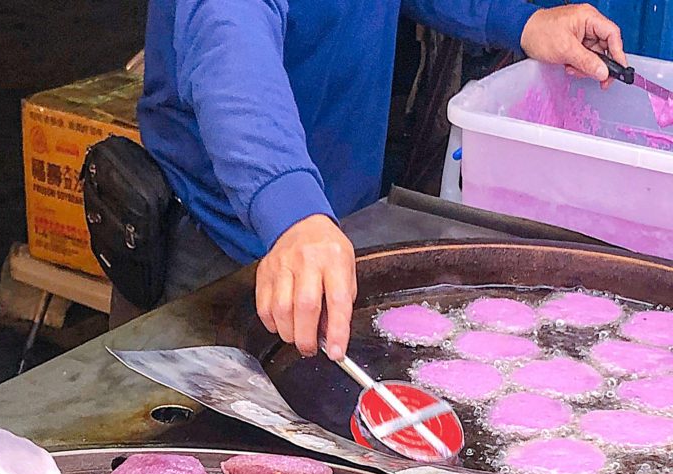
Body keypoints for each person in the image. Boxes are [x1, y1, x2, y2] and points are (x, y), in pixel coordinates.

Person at [132, 1, 626, 357]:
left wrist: (524, 21)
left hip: (333, 230)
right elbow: (231, 55)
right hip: (218, 239)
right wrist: (293, 213)